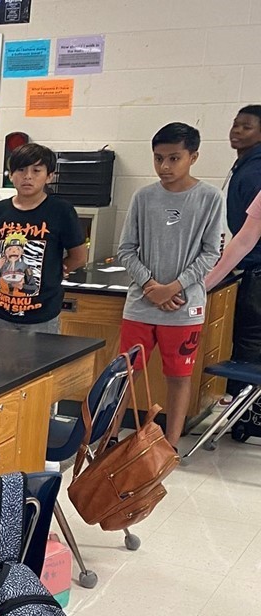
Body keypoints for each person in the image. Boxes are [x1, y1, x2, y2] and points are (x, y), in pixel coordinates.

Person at [116, 122, 225, 449]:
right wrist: (151, 286)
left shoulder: (209, 198)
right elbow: (125, 250)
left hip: (183, 309)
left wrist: (174, 287)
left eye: (174, 158)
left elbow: (211, 253)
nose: (165, 167)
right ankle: (108, 439)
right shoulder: (143, 197)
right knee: (125, 378)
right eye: (158, 158)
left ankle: (170, 445)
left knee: (178, 377)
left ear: (193, 156)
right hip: (140, 306)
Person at [0, 144, 87, 333]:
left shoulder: (61, 211)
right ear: (11, 175)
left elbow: (79, 256)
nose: (28, 176)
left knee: (40, 361)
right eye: (20, 170)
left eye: (36, 171)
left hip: (41, 312)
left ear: (49, 176)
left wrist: (55, 270)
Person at [220, 105, 261, 401]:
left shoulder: (256, 171)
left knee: (250, 342)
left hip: (256, 269)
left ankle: (245, 412)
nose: (236, 131)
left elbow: (251, 235)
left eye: (246, 127)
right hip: (249, 262)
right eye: (235, 124)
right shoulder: (245, 164)